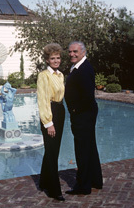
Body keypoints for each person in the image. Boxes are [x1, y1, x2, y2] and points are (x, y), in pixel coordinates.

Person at [64, 41, 103, 195]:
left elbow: (87, 96)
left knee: (82, 150)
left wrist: (74, 110)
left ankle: (83, 186)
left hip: (83, 114)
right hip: (84, 113)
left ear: (83, 52)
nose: (72, 54)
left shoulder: (84, 69)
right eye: (70, 52)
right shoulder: (77, 67)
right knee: (89, 147)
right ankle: (95, 181)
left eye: (75, 51)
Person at [37, 43, 66, 201]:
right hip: (50, 114)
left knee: (52, 150)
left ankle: (43, 182)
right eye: (53, 58)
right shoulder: (44, 76)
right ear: (47, 60)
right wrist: (49, 123)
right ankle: (54, 190)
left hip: (60, 112)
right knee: (52, 151)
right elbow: (43, 100)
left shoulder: (60, 75)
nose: (56, 61)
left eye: (58, 58)